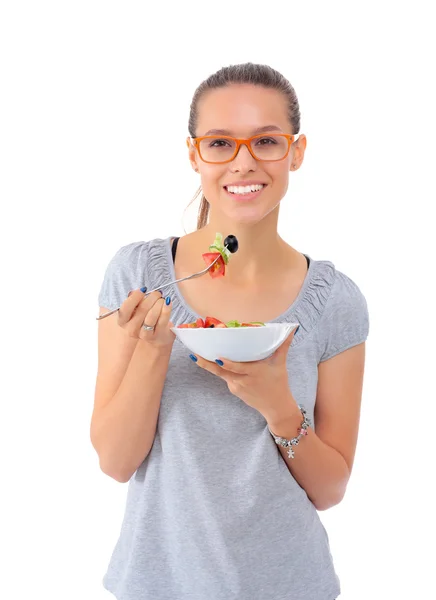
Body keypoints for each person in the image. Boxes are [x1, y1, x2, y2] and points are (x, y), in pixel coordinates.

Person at [91, 62, 369, 600]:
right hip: (158, 583)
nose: (244, 162)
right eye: (220, 142)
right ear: (194, 154)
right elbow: (115, 462)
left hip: (292, 584)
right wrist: (153, 350)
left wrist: (278, 406)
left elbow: (331, 489)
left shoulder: (336, 300)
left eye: (266, 141)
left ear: (297, 151)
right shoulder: (135, 275)